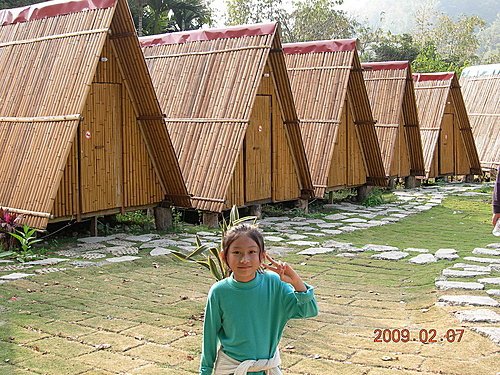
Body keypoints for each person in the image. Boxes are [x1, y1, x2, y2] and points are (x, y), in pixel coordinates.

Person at [200, 223, 318, 375]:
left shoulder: (275, 284)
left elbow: (308, 311)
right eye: (236, 252)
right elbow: (209, 338)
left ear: (262, 256)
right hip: (232, 369)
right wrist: (205, 371)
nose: (244, 259)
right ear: (224, 256)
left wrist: (296, 281)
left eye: (252, 252)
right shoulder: (219, 292)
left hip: (267, 370)